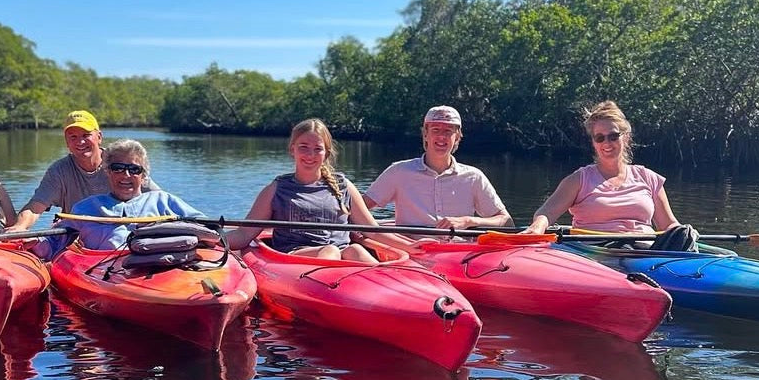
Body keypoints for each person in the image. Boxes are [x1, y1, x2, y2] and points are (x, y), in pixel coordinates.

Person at [528, 100, 697, 248]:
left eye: (613, 136)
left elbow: (668, 225)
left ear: (626, 137)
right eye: (599, 138)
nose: (607, 143)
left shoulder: (649, 178)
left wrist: (684, 234)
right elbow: (547, 212)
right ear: (593, 142)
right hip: (595, 253)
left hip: (645, 253)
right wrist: (537, 227)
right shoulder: (578, 180)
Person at [226, 118, 385, 261]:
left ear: (326, 153)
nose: (310, 155)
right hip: (295, 256)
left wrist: (409, 247)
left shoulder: (344, 186)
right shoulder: (276, 189)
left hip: (341, 253)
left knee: (356, 250)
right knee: (330, 252)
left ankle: (386, 286)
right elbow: (244, 234)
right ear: (292, 149)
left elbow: (373, 231)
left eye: (317, 149)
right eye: (304, 147)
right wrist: (209, 239)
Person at [362, 105, 513, 233]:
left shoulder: (474, 177)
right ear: (425, 134)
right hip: (411, 254)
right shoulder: (398, 172)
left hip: (460, 254)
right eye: (436, 130)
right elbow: (358, 209)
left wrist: (468, 221)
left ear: (458, 136)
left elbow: (506, 222)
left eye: (448, 131)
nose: (441, 137)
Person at [70, 139, 204, 251]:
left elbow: (208, 228)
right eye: (118, 168)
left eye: (134, 169)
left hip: (159, 269)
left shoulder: (163, 201)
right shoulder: (85, 208)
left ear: (144, 175)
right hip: (99, 272)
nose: (126, 175)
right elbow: (53, 241)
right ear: (107, 171)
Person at [12, 110, 112, 231]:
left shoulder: (120, 164)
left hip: (116, 232)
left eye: (86, 135)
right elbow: (35, 207)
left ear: (99, 137)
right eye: (73, 137)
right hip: (76, 236)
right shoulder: (58, 171)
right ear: (67, 142)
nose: (80, 142)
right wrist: (19, 226)